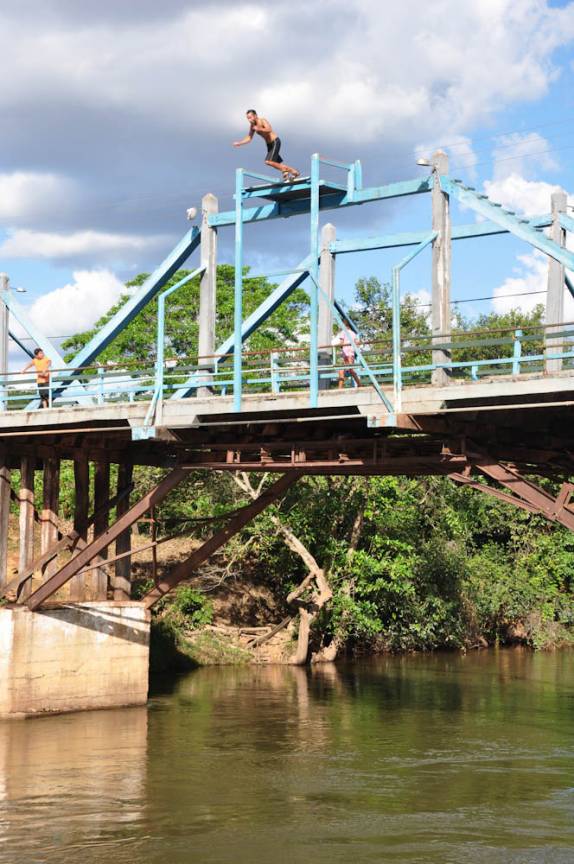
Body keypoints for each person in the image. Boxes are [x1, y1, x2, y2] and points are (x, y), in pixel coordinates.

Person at [233, 109, 300, 182]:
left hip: (275, 141)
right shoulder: (252, 126)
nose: (249, 120)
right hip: (269, 145)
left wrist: (260, 128)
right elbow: (249, 137)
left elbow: (269, 129)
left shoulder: (262, 120)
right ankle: (292, 172)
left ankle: (287, 170)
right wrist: (240, 143)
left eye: (250, 117)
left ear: (255, 116)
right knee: (276, 163)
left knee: (268, 161)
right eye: (248, 118)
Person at [333, 322, 361, 389]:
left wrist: (336, 345)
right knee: (345, 370)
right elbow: (357, 343)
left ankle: (359, 385)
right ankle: (340, 387)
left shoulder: (343, 332)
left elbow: (341, 343)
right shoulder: (353, 333)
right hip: (351, 353)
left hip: (346, 354)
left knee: (349, 370)